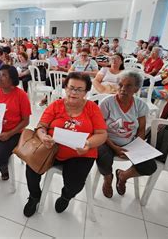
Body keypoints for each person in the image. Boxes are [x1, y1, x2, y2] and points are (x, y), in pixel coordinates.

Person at [23, 72, 107, 217]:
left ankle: (66, 196)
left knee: (74, 184)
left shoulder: (92, 108)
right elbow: (41, 126)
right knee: (31, 168)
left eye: (79, 89)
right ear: (65, 88)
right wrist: (43, 137)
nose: (74, 92)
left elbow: (102, 134)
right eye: (71, 88)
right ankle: (35, 196)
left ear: (86, 92)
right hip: (52, 148)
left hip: (81, 152)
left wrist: (88, 143)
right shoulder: (56, 105)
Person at [95, 71, 156, 198]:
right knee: (102, 155)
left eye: (128, 86)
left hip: (130, 142)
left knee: (150, 166)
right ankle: (108, 179)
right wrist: (114, 147)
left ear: (136, 88)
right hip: (107, 140)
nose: (123, 89)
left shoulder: (140, 105)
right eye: (120, 85)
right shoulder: (107, 103)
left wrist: (134, 147)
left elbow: (141, 130)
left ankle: (123, 176)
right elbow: (100, 129)